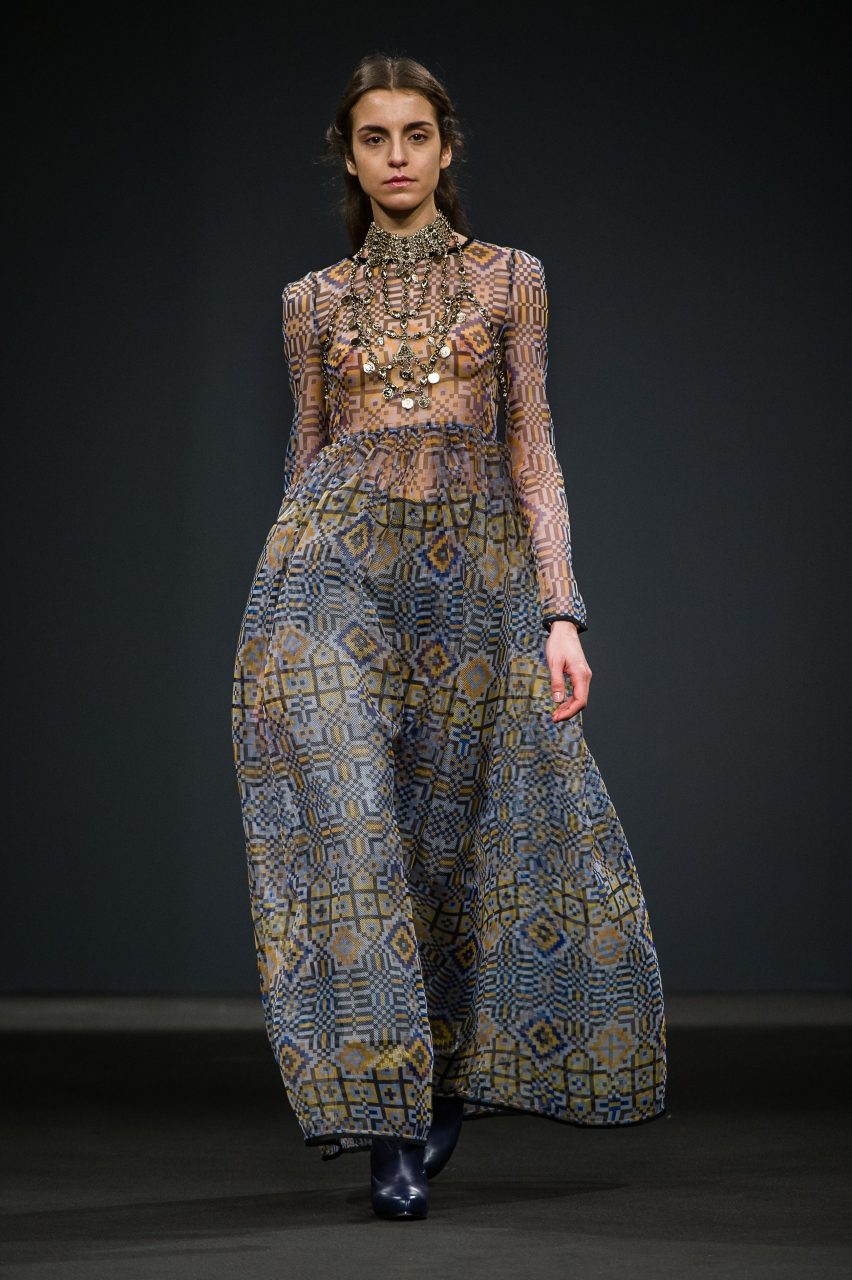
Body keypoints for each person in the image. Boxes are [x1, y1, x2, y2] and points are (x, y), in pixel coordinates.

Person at [232, 52, 667, 1220]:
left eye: (415, 133)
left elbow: (534, 451)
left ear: (445, 145)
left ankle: (440, 1083)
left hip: (475, 586)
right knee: (350, 834)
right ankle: (385, 1118)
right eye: (374, 137)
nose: (397, 156)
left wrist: (560, 610)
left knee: (445, 844)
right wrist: (278, 598)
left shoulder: (511, 278)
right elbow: (305, 453)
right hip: (330, 572)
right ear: (348, 154)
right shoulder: (310, 300)